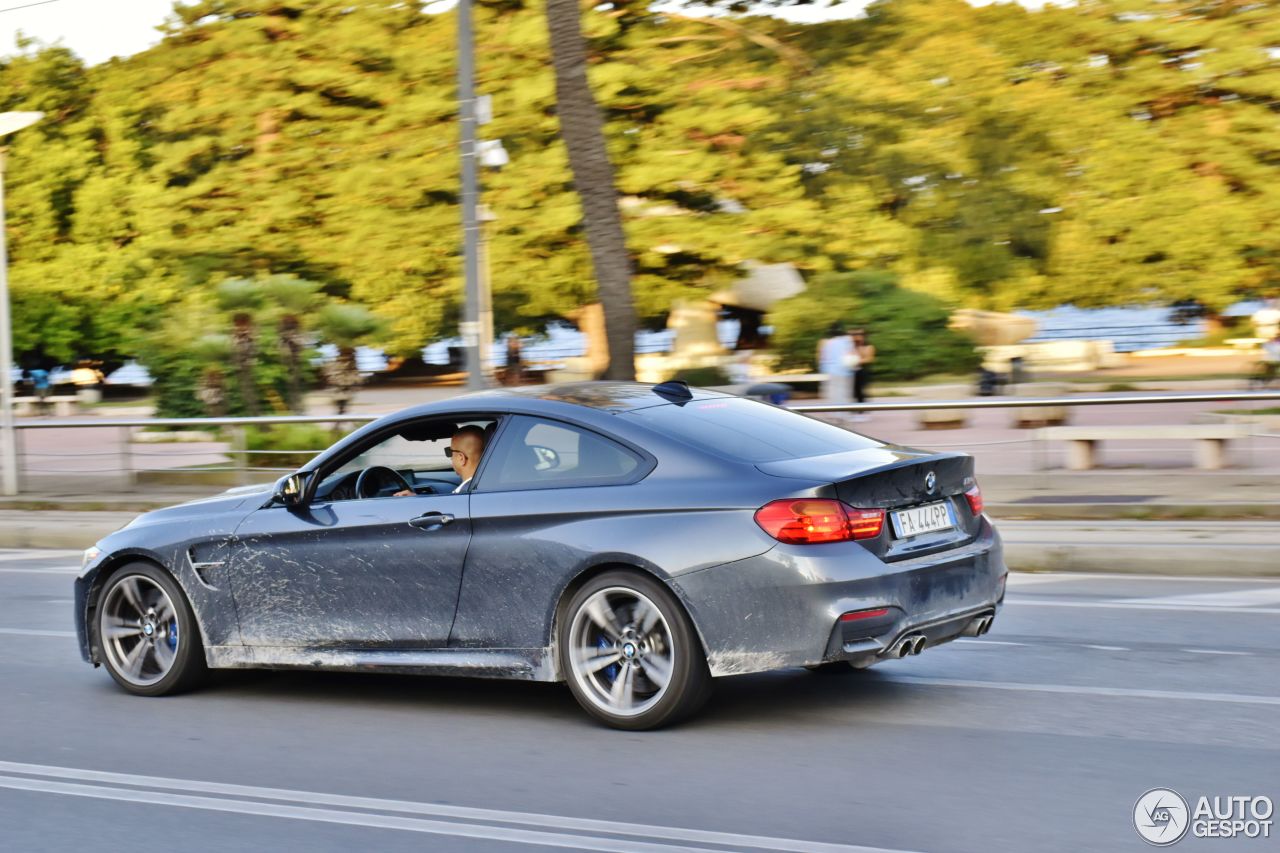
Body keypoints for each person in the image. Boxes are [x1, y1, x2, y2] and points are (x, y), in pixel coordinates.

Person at [393, 425, 487, 497]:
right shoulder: (486, 486)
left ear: (461, 458)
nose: (450, 457)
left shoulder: (464, 494)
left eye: (450, 452)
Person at [816, 323, 853, 404]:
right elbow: (850, 354)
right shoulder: (847, 340)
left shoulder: (825, 341)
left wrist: (822, 369)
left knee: (832, 393)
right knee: (845, 393)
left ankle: (834, 413)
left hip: (830, 370)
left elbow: (821, 357)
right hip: (845, 370)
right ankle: (844, 412)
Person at [849, 329, 875, 421]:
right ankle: (854, 411)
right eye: (854, 335)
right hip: (852, 371)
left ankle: (863, 412)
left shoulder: (868, 346)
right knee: (853, 392)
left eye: (858, 335)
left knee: (861, 392)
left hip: (862, 371)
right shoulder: (851, 346)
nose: (856, 337)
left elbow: (869, 358)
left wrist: (857, 360)